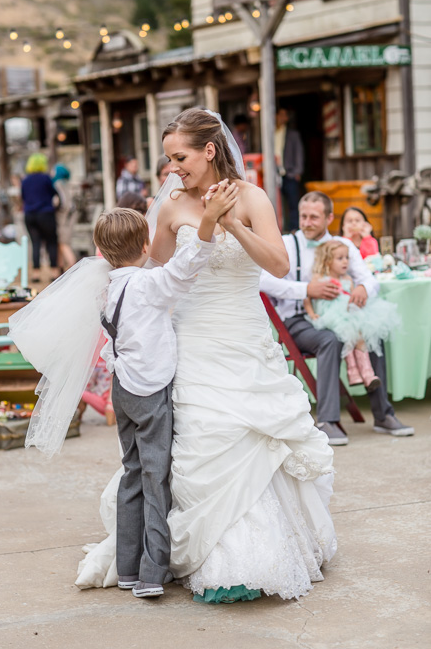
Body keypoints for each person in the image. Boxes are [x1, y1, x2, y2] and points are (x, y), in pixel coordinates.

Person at [74, 108, 336, 603]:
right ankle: (173, 554)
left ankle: (265, 553)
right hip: (191, 339)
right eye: (170, 160)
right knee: (200, 439)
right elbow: (151, 277)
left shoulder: (254, 196)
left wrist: (231, 225)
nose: (173, 169)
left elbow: (278, 265)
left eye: (180, 158)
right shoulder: (171, 207)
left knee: (255, 438)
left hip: (244, 336)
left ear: (209, 151)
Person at [94, 188, 238, 598]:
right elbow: (184, 268)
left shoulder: (107, 290)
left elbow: (109, 340)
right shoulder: (146, 285)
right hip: (151, 391)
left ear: (101, 253)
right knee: (158, 479)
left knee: (133, 473)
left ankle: (125, 567)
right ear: (144, 245)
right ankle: (151, 573)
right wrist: (208, 221)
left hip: (123, 388)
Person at [260, 191, 414, 446]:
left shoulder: (344, 246)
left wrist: (363, 289)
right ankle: (328, 421)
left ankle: (383, 415)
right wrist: (306, 289)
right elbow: (263, 281)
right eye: (303, 216)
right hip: (300, 319)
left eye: (314, 217)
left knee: (372, 333)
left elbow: (368, 278)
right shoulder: (287, 244)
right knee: (330, 339)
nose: (307, 222)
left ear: (329, 217)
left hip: (340, 315)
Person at [303, 240, 400, 390]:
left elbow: (351, 298)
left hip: (348, 313)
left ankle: (367, 375)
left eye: (347, 258)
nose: (345, 262)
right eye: (340, 258)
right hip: (330, 315)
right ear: (328, 260)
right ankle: (353, 371)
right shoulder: (319, 279)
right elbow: (307, 298)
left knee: (359, 337)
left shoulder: (348, 279)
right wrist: (311, 313)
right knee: (348, 335)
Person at [21, 153, 59, 283]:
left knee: (35, 243)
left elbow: (23, 198)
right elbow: (55, 194)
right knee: (51, 242)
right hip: (45, 214)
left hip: (30, 215)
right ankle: (54, 272)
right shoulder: (46, 178)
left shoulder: (25, 180)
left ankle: (36, 274)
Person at [275, 107, 304, 232]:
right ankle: (277, 228)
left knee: (293, 203)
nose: (283, 118)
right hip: (273, 173)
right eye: (280, 115)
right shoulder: (270, 133)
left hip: (289, 172)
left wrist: (297, 171)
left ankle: (293, 229)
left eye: (285, 116)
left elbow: (299, 153)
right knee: (274, 201)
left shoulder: (293, 134)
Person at [52, 163, 77, 271]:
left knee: (63, 243)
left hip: (63, 217)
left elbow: (61, 201)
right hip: (69, 217)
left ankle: (73, 267)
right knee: (61, 243)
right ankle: (61, 267)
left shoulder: (58, 184)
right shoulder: (66, 184)